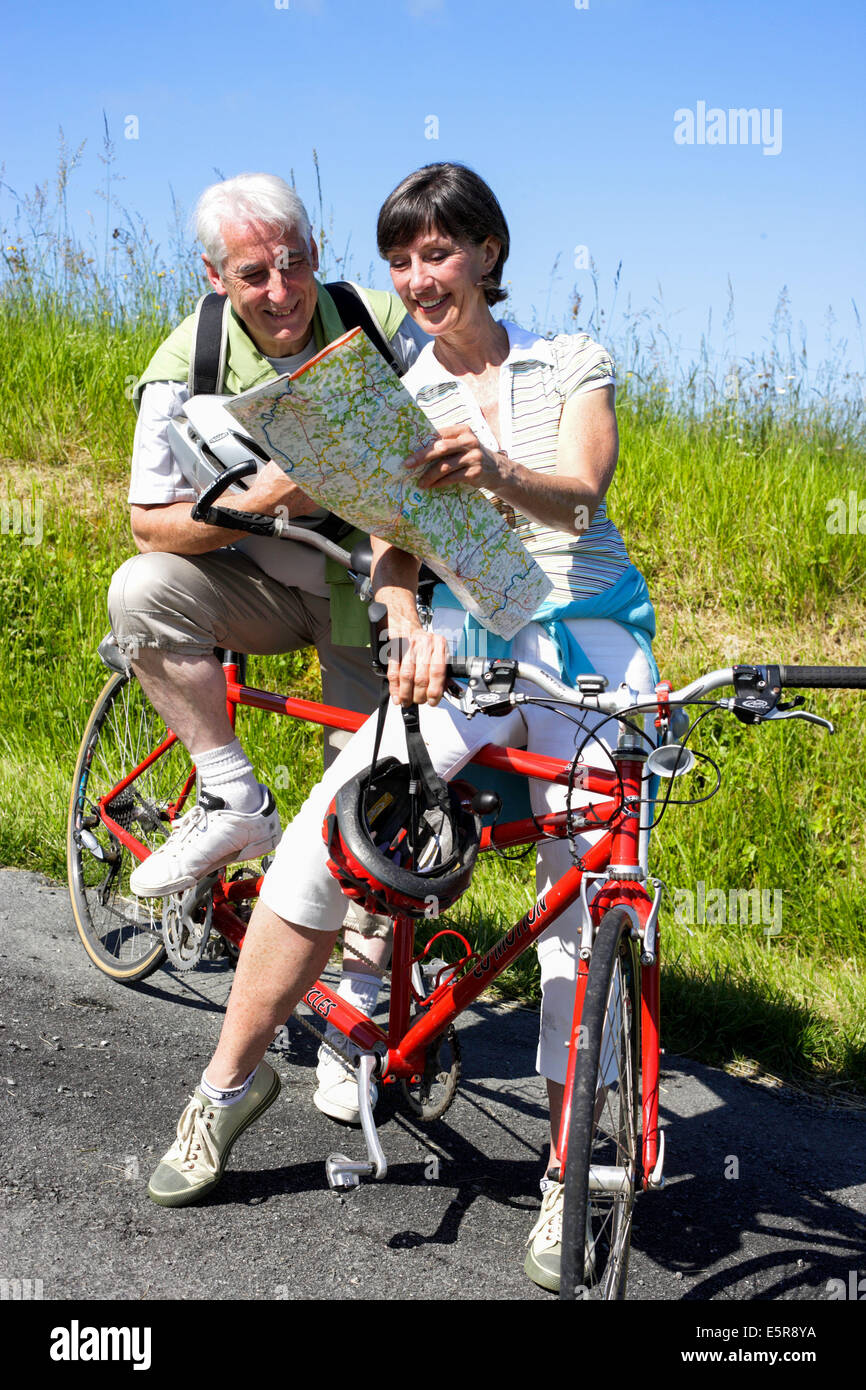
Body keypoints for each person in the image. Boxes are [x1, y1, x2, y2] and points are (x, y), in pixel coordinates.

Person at [144, 163, 657, 1296]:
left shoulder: (567, 359)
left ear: (483, 250)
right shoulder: (403, 387)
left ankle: (571, 1175)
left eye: (437, 252)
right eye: (398, 262)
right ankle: (225, 1087)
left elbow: (579, 491)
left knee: (589, 901)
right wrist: (401, 615)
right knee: (325, 833)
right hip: (469, 654)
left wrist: (496, 471)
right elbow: (390, 544)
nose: (418, 280)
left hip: (595, 656)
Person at [110, 173, 427, 1122]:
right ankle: (229, 795)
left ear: (318, 252)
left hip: (371, 587)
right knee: (141, 593)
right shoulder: (185, 363)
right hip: (259, 577)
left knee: (377, 806)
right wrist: (266, 500)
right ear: (216, 278)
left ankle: (356, 1019)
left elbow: (443, 435)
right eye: (255, 273)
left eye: (295, 262)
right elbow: (148, 524)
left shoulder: (379, 322)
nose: (282, 289)